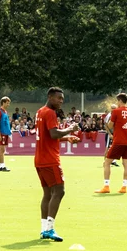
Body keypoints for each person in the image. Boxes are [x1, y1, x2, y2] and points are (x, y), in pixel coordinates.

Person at [34, 87, 80, 242]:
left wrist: (67, 138)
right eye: (58, 98)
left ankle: (43, 229)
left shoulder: (40, 112)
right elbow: (54, 133)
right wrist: (70, 129)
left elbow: (49, 136)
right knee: (59, 191)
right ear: (50, 97)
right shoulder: (50, 113)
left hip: (40, 159)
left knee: (48, 194)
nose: (61, 101)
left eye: (62, 99)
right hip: (50, 160)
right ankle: (49, 228)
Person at [95, 93, 127, 194]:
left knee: (107, 162)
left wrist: (111, 124)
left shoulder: (116, 112)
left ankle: (106, 186)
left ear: (119, 101)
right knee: (126, 164)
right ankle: (124, 187)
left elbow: (110, 126)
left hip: (118, 141)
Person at [0, 96, 12, 172]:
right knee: (2, 149)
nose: (8, 104)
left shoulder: (5, 111)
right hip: (2, 133)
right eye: (7, 103)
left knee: (2, 149)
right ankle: (2, 166)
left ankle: (1, 166)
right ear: (3, 103)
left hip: (5, 132)